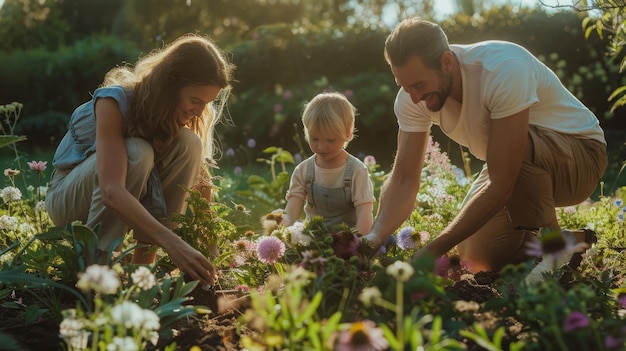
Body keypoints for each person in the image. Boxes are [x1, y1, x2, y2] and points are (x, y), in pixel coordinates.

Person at [362, 17, 608, 274]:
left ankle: (553, 249)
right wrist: (374, 237)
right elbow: (403, 177)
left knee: (514, 149)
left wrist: (433, 250)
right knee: (477, 258)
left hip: (580, 156)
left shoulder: (503, 69)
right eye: (404, 85)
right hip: (509, 164)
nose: (414, 97)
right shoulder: (412, 98)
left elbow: (502, 183)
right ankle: (568, 242)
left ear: (446, 62)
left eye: (419, 85)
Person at [45, 34, 235, 287]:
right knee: (138, 151)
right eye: (195, 100)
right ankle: (95, 270)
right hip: (69, 200)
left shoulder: (180, 116)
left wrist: (212, 255)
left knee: (190, 143)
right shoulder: (113, 102)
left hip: (113, 199)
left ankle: (141, 274)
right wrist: (174, 244)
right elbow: (111, 191)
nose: (199, 111)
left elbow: (201, 186)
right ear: (170, 85)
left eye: (207, 102)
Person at [284, 91, 375, 235]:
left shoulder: (357, 171)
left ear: (348, 133)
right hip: (313, 238)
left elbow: (365, 214)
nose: (321, 146)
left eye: (330, 140)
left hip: (348, 240)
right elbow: (291, 212)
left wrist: (359, 245)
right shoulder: (303, 171)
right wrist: (282, 231)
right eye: (315, 139)